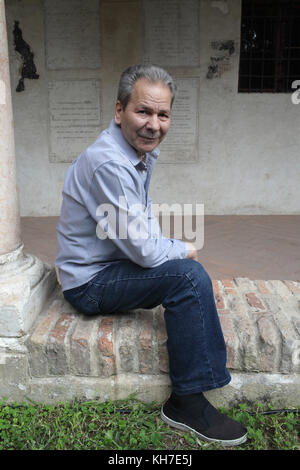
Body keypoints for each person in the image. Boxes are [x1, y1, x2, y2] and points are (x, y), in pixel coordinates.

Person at [55, 64, 247, 446]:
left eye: (163, 115)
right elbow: (144, 250)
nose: (154, 124)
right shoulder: (110, 162)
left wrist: (169, 250)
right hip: (89, 283)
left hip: (110, 264)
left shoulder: (130, 152)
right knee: (189, 278)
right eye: (143, 111)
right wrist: (183, 250)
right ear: (118, 111)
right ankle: (187, 402)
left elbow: (140, 225)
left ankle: (196, 387)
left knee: (183, 270)